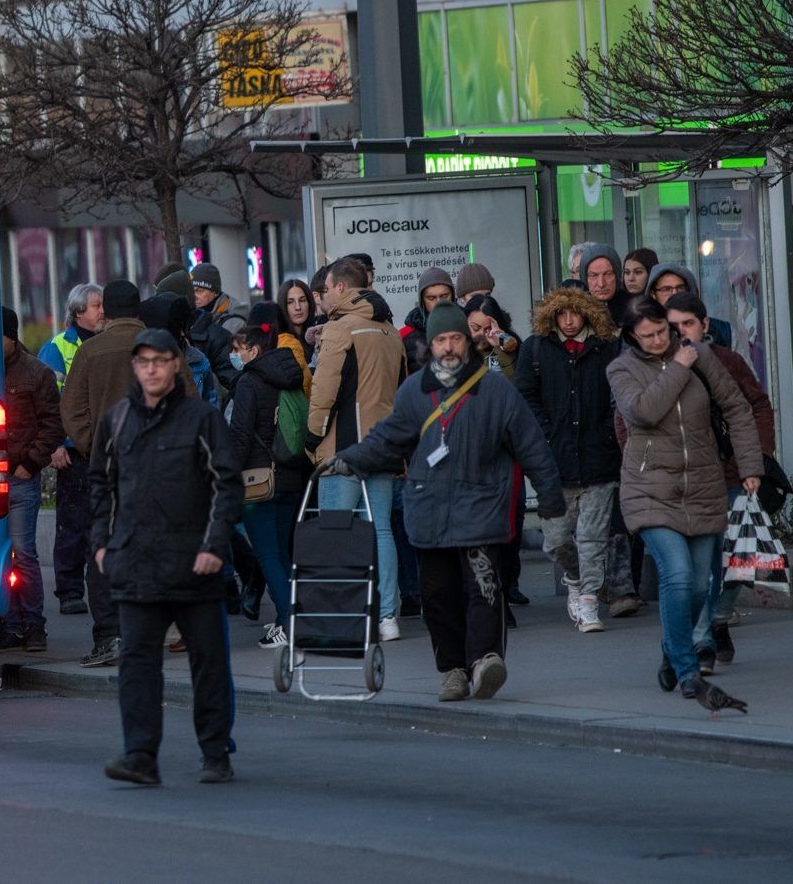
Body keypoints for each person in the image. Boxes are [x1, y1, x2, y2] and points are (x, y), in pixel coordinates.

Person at [329, 303, 567, 702]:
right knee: (438, 598)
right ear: (431, 344)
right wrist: (349, 459)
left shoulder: (496, 390)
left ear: (467, 340)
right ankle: (453, 670)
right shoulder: (413, 391)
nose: (449, 347)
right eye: (441, 339)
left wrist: (550, 499)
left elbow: (531, 445)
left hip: (481, 507)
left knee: (483, 589)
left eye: (456, 337)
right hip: (430, 511)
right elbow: (388, 439)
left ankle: (484, 660)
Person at [92, 328, 244, 786]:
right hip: (135, 564)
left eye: (161, 360)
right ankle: (139, 755)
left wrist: (215, 546)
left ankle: (216, 753)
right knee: (137, 665)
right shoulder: (116, 421)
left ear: (176, 364)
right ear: (134, 367)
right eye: (144, 362)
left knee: (210, 664)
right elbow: (100, 486)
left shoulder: (201, 420)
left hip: (195, 566)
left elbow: (227, 484)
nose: (152, 369)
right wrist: (102, 543)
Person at [607, 299, 763, 705]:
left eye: (663, 331)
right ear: (631, 337)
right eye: (649, 335)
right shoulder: (621, 369)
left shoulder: (703, 355)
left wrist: (750, 465)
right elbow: (643, 411)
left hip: (704, 485)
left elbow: (737, 408)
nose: (659, 340)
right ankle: (688, 671)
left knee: (698, 587)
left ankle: (671, 648)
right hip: (649, 490)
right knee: (675, 576)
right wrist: (679, 365)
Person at [61, 280, 189, 669]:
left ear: (108, 312)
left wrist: (92, 446)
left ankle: (109, 636)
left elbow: (72, 410)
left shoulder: (88, 351)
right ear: (138, 309)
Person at [666, 292, 775, 669]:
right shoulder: (658, 366)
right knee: (699, 569)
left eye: (688, 324)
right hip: (683, 480)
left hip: (730, 473)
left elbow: (754, 406)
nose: (681, 333)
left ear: (705, 325)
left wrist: (754, 461)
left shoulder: (727, 361)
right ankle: (701, 641)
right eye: (673, 326)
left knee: (737, 562)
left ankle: (717, 619)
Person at [307, 256, 408, 639]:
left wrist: (312, 437)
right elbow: (401, 387)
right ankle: (387, 617)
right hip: (382, 445)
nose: (325, 295)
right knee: (381, 530)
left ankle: (346, 616)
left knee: (338, 531)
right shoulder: (389, 330)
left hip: (344, 448)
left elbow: (324, 391)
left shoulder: (339, 329)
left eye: (328, 288)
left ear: (342, 288)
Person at [516, 285, 628, 632]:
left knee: (594, 538)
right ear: (551, 315)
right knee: (557, 540)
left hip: (599, 458)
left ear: (587, 314)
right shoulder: (536, 348)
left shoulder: (607, 349)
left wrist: (611, 433)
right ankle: (576, 581)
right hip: (554, 463)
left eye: (574, 313)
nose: (567, 321)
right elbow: (525, 395)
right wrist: (546, 433)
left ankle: (590, 602)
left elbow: (620, 394)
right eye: (561, 314)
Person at [0, 308, 65, 654]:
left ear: (11, 336)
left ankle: (32, 625)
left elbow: (52, 424)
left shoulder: (37, 374)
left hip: (18, 477)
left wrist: (30, 464)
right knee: (1, 557)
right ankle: (10, 626)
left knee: (24, 555)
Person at [226, 325, 307, 648]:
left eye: (239, 348)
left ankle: (289, 622)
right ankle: (289, 618)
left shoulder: (249, 382)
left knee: (268, 555)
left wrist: (227, 473)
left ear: (254, 351)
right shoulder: (289, 377)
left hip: (259, 481)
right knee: (282, 553)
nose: (235, 355)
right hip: (292, 475)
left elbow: (241, 435)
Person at [37, 283, 104, 614]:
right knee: (72, 524)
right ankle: (69, 591)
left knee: (98, 524)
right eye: (96, 306)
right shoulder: (57, 347)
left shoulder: (104, 343)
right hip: (72, 450)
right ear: (78, 311)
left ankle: (97, 588)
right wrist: (56, 445)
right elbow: (48, 403)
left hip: (99, 448)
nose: (102, 310)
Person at [465, 292, 529, 615]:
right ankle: (488, 595)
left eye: (485, 326)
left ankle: (504, 588)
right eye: (473, 327)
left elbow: (515, 389)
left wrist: (502, 347)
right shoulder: (456, 354)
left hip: (505, 451)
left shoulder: (511, 351)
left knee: (508, 524)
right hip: (470, 454)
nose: (479, 334)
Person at [644, 264, 733, 348]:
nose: (674, 293)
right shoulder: (643, 331)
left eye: (680, 288)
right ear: (653, 295)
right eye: (666, 289)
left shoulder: (723, 330)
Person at [190, 263, 248, 389]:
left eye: (200, 291)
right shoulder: (198, 316)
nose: (194, 296)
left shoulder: (233, 322)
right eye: (192, 291)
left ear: (215, 292)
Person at [399, 266, 455, 373]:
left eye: (444, 296)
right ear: (422, 301)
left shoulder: (469, 326)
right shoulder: (404, 336)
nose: (439, 302)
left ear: (452, 296)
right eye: (431, 298)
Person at [279, 278, 317, 352]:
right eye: (290, 302)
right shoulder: (280, 342)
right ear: (283, 306)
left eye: (302, 300)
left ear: (309, 303)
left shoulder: (319, 333)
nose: (298, 307)